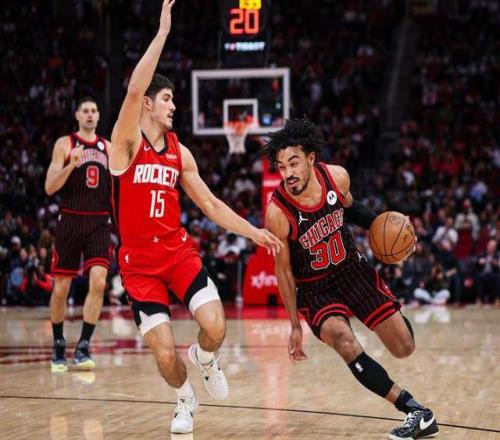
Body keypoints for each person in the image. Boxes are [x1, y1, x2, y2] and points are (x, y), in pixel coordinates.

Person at [109, 1, 282, 434]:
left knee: (216, 327)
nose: (173, 106)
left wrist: (254, 232)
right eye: (166, 99)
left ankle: (204, 359)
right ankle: (184, 398)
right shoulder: (125, 144)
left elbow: (211, 205)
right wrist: (162, 33)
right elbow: (132, 90)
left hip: (177, 253)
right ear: (148, 104)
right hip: (138, 266)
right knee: (164, 355)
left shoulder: (180, 153)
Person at [264, 118, 439, 440]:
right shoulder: (277, 213)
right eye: (281, 166)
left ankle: (390, 312)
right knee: (343, 340)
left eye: (293, 163)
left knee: (404, 347)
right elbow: (284, 271)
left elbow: (351, 209)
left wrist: (392, 232)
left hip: (352, 270)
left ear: (311, 158)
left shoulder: (336, 177)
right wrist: (294, 325)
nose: (287, 173)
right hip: (314, 289)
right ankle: (414, 410)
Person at [45, 97, 112, 372]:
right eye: (85, 110)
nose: (90, 114)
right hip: (70, 219)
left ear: (98, 116)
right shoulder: (65, 144)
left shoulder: (108, 147)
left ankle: (83, 345)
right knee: (61, 287)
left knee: (99, 282)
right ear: (77, 115)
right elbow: (50, 187)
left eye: (94, 110)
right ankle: (58, 342)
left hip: (99, 221)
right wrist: (71, 164)